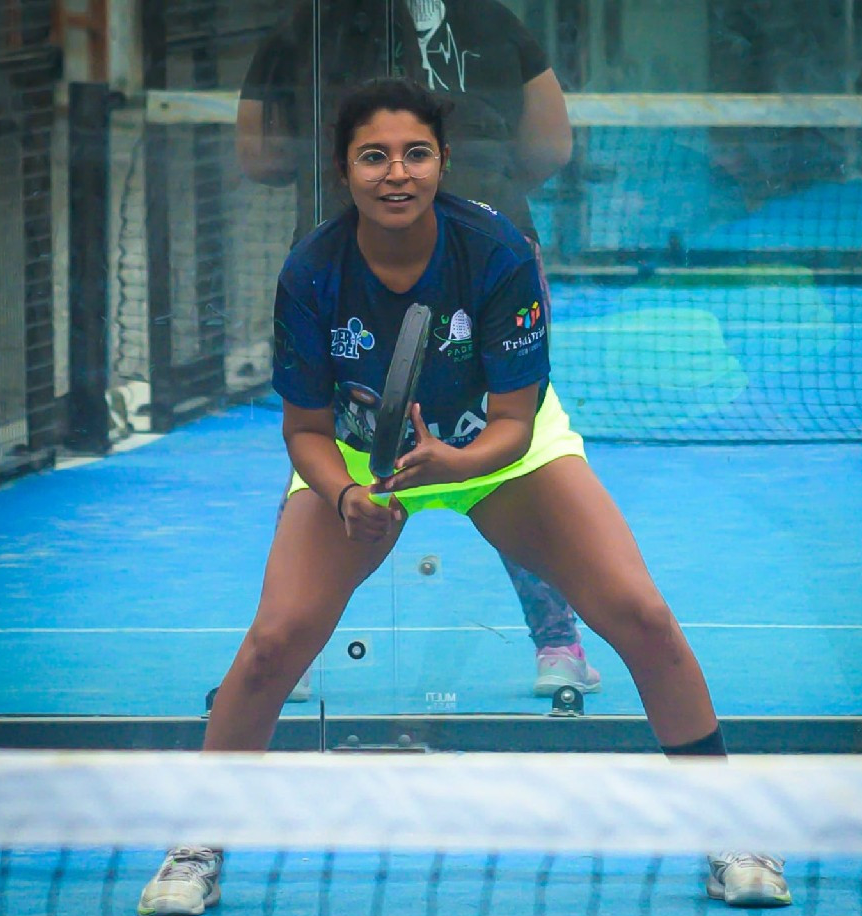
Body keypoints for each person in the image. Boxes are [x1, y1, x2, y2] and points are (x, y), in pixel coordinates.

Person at [137, 79, 790, 916]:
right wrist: (343, 494)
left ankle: (731, 832)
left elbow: (515, 421)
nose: (396, 173)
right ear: (344, 170)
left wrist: (456, 463)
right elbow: (303, 428)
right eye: (373, 157)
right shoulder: (311, 271)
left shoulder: (495, 252)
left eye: (415, 154)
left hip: (495, 448)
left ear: (442, 161)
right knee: (272, 644)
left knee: (641, 615)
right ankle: (195, 846)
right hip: (359, 458)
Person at [235, 0, 600, 700]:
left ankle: (290, 652)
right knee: (503, 437)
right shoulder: (491, 19)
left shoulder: (304, 24)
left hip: (360, 259)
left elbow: (260, 156)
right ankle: (558, 644)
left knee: (333, 442)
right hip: (479, 254)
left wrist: (350, 169)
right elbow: (550, 146)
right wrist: (478, 185)